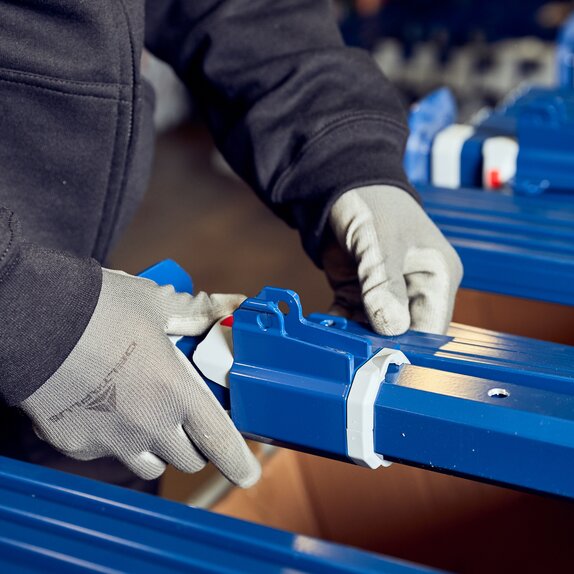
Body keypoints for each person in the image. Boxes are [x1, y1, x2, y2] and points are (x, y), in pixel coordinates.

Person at [0, 0, 462, 493]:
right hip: (31, 302)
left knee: (104, 510)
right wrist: (31, 310)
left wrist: (350, 158)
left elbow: (238, 11)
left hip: (64, 278)